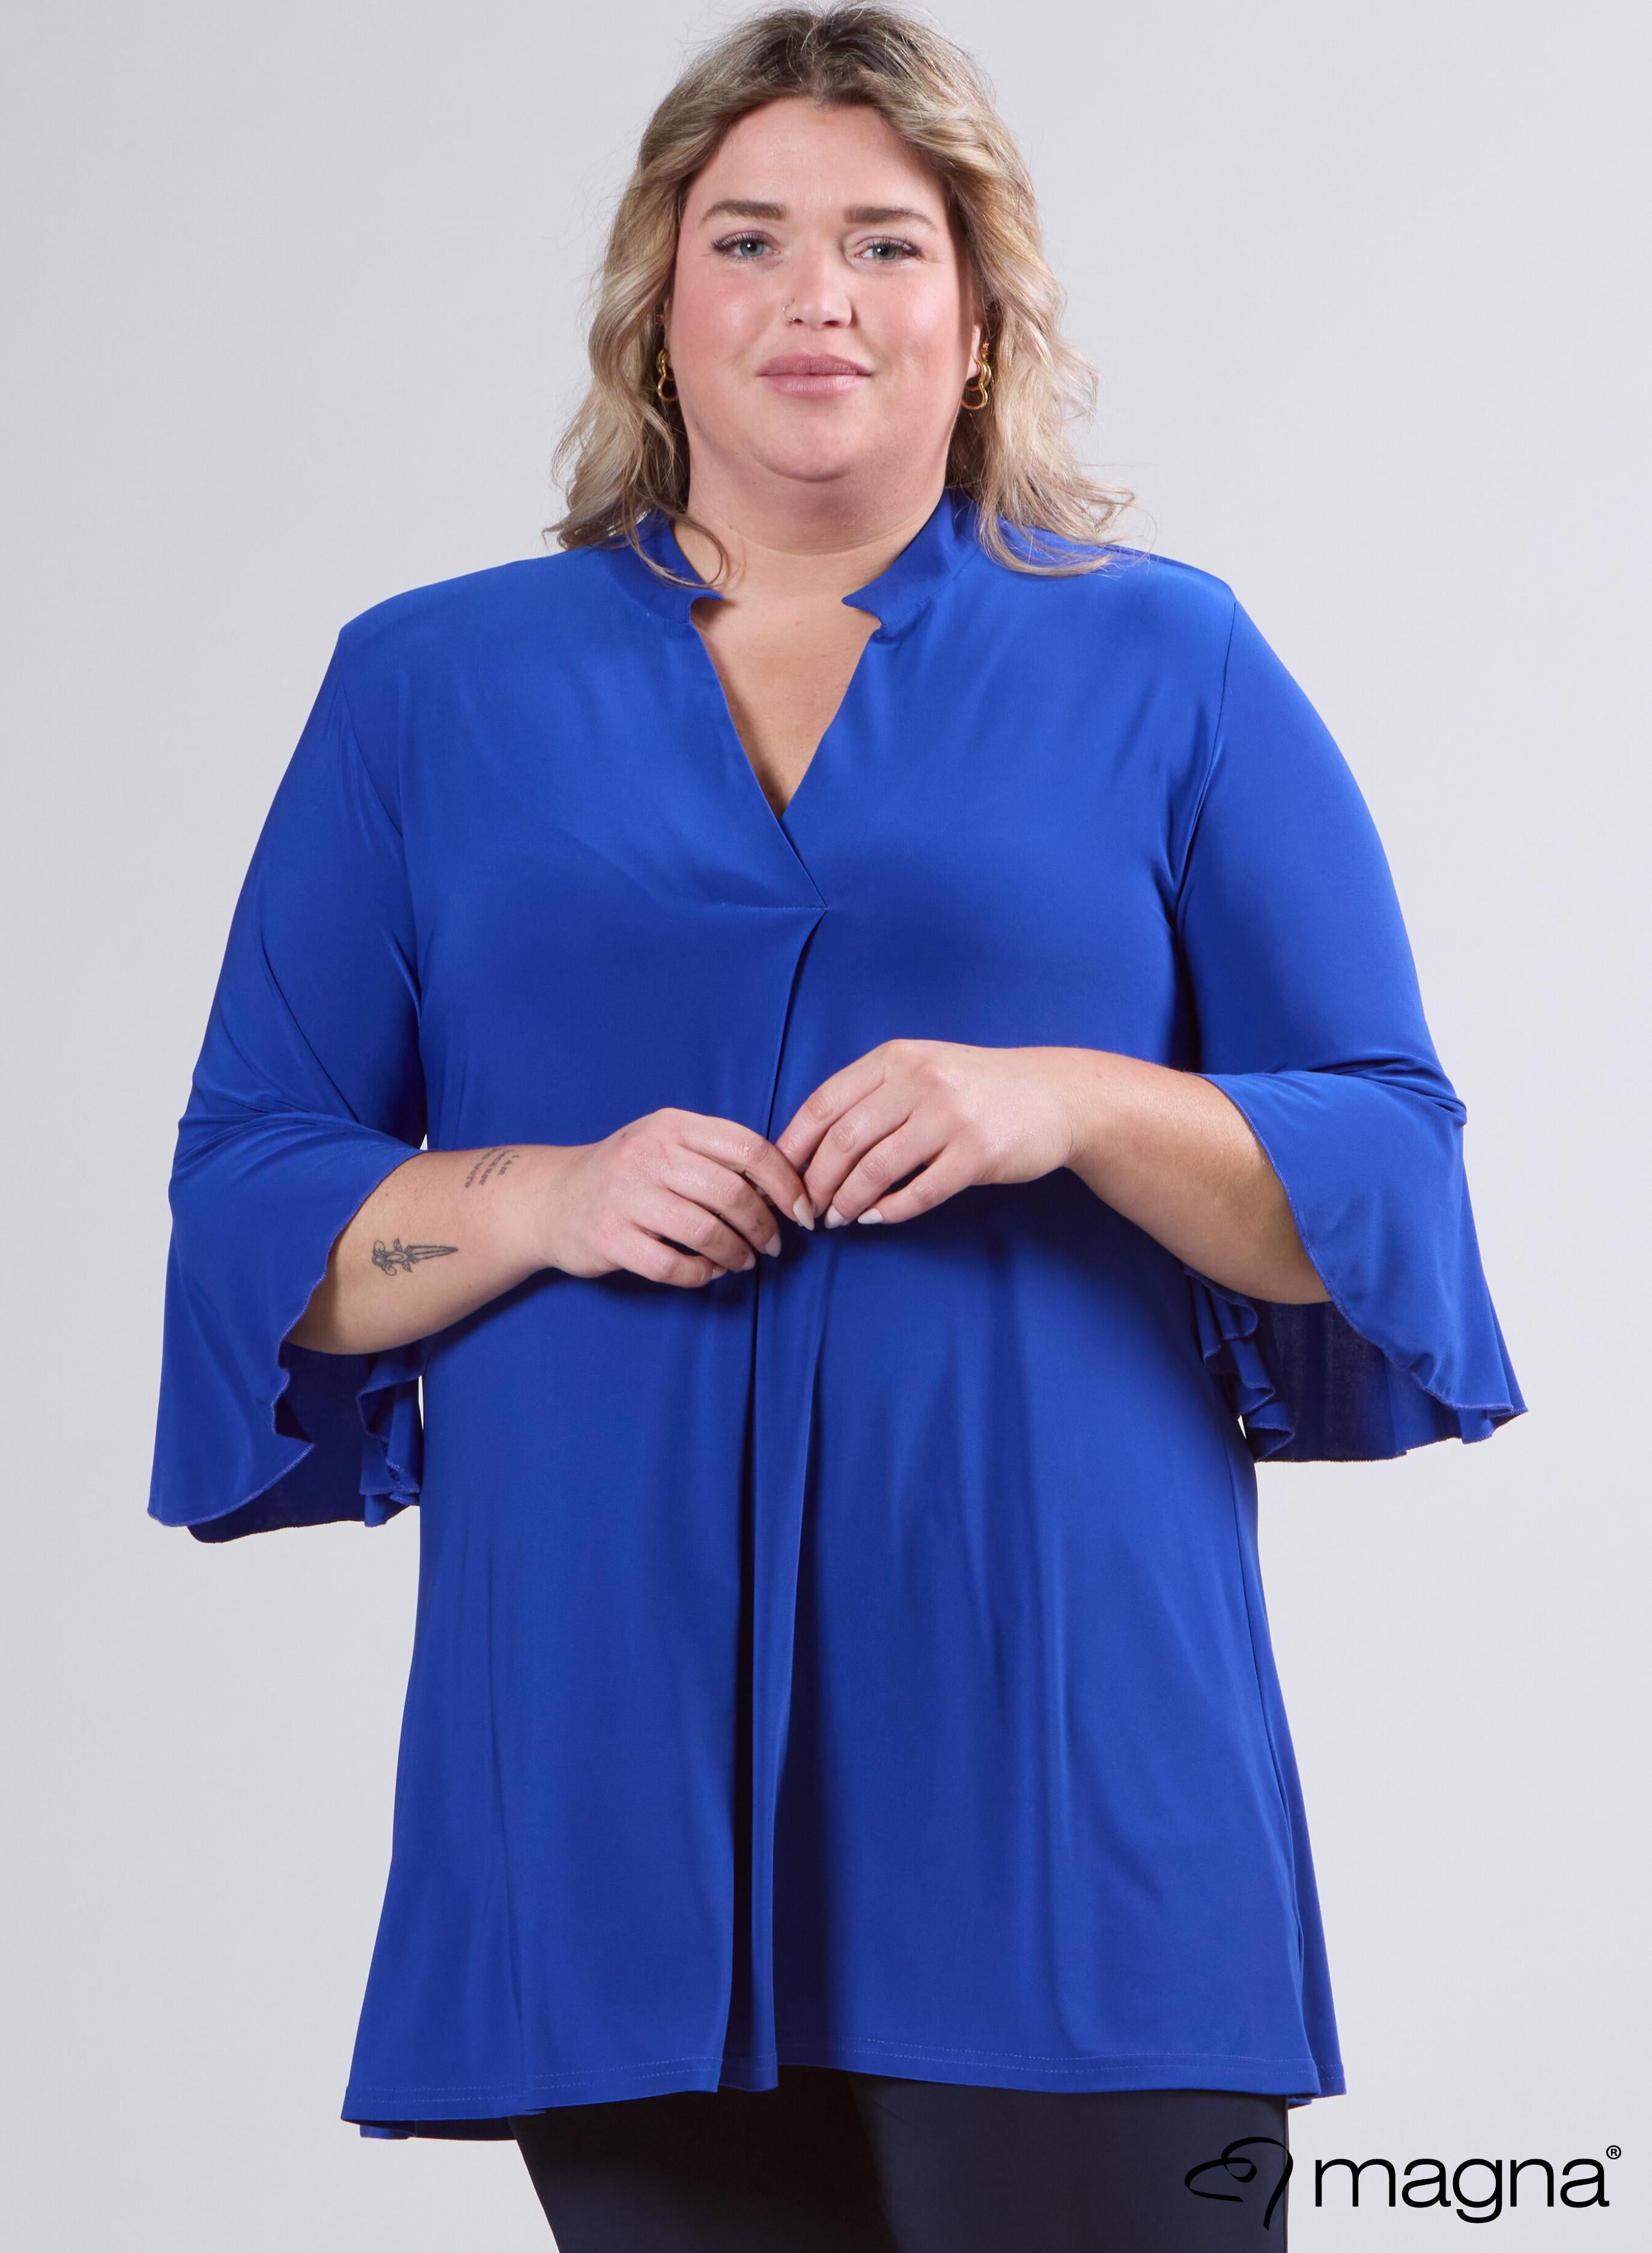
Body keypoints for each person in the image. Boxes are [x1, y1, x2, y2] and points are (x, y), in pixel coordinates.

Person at [145, 5, 1526, 2246]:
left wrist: (1068, 1100)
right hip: (604, 1768)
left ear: (979, 321)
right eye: (750, 239)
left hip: (1070, 1759)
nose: (820, 298)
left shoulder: (1170, 664)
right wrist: (543, 1194)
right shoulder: (426, 688)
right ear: (656, 305)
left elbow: (1384, 1175)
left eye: (888, 243)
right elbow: (250, 1205)